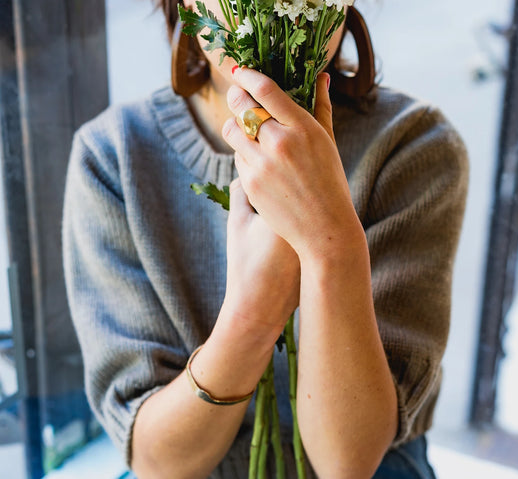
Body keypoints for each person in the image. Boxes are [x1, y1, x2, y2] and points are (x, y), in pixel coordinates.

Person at [61, 0, 468, 477]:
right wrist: (253, 312)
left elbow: (350, 463)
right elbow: (159, 462)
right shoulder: (113, 159)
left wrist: (329, 246)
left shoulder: (413, 146)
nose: (271, 9)